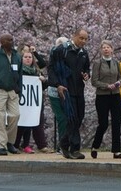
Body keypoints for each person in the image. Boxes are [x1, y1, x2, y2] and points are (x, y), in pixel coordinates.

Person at [47, 28, 91, 160]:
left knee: (79, 117)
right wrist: (57, 84)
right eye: (81, 38)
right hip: (65, 89)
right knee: (71, 118)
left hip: (79, 89)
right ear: (74, 36)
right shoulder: (61, 50)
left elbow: (86, 68)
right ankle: (74, 149)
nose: (83, 41)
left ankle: (64, 143)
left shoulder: (84, 53)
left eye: (85, 39)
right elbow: (51, 68)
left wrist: (86, 75)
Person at [90, 40, 121, 159]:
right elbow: (94, 81)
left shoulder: (116, 62)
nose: (106, 49)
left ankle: (116, 151)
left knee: (117, 122)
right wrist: (106, 86)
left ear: (112, 49)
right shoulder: (97, 63)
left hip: (115, 95)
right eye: (104, 47)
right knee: (103, 123)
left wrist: (119, 83)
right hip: (102, 96)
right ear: (101, 50)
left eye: (108, 47)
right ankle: (95, 146)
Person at [16, 49, 49, 154]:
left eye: (30, 57)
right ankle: (16, 144)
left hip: (34, 101)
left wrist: (43, 80)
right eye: (25, 57)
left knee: (36, 121)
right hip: (22, 101)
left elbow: (44, 86)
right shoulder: (19, 70)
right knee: (21, 123)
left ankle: (31, 145)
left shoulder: (36, 71)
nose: (28, 59)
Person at [46, 36, 68, 153]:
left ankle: (66, 143)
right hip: (54, 92)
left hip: (67, 91)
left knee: (69, 118)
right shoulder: (53, 58)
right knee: (61, 118)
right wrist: (57, 84)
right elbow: (51, 73)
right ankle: (61, 144)